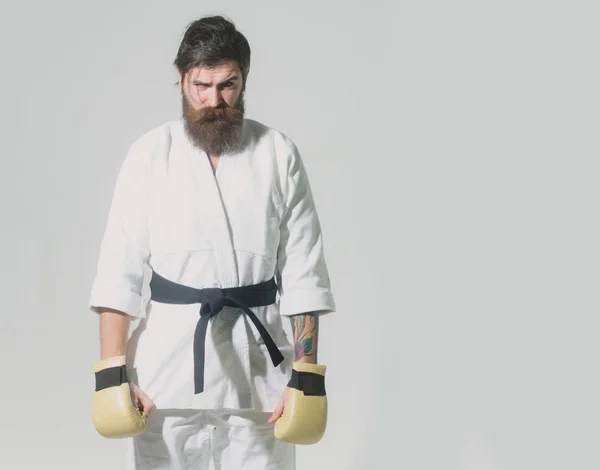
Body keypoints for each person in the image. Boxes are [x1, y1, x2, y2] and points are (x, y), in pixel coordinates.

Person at [88, 15, 336, 470]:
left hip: (261, 379)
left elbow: (304, 275)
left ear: (244, 80)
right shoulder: (149, 154)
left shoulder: (278, 153)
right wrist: (112, 375)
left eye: (228, 86)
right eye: (201, 85)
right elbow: (117, 275)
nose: (213, 100)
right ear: (180, 78)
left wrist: (305, 378)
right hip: (165, 378)